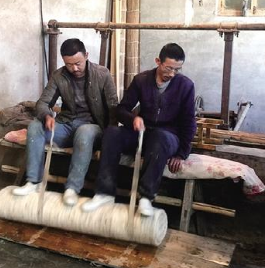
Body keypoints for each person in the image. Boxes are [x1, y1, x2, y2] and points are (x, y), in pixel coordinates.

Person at [82, 43, 197, 216]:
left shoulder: (186, 85)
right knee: (112, 133)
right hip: (143, 132)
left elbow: (189, 122)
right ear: (158, 61)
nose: (172, 74)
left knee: (160, 137)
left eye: (177, 69)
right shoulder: (142, 80)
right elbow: (121, 109)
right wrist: (133, 119)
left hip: (168, 137)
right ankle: (104, 193)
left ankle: (146, 198)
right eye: (168, 68)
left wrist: (181, 154)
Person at [13, 38, 118, 207]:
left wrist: (111, 136)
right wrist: (47, 116)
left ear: (86, 55)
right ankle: (33, 182)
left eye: (78, 63)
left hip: (93, 127)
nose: (74, 68)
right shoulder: (59, 76)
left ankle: (72, 188)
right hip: (67, 124)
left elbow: (113, 107)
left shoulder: (102, 74)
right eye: (69, 64)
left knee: (85, 132)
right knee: (35, 126)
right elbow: (42, 103)